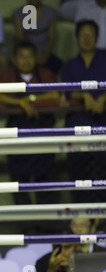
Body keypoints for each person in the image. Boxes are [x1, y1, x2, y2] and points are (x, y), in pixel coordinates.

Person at [0, 40, 60, 211]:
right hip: (17, 135)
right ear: (14, 59)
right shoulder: (7, 76)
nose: (26, 60)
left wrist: (32, 99)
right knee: (18, 181)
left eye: (30, 56)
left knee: (45, 179)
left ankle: (46, 223)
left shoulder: (45, 74)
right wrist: (21, 103)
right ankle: (27, 225)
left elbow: (56, 94)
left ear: (36, 58)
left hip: (44, 133)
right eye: (21, 56)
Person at [61, 20, 106, 203]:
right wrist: (84, 95)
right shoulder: (69, 66)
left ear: (97, 38)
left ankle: (103, 222)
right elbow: (67, 93)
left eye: (91, 35)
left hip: (103, 124)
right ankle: (82, 221)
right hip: (77, 125)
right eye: (83, 35)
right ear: (76, 38)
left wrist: (103, 98)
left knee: (103, 173)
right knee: (79, 174)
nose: (87, 39)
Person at [35, 218, 106, 272]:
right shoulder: (43, 262)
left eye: (83, 225)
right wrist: (51, 270)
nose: (78, 229)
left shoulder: (100, 256)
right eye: (58, 247)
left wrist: (74, 268)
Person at [12, 0, 63, 75]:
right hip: (27, 53)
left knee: (58, 65)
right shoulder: (18, 13)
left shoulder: (50, 11)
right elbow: (21, 38)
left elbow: (51, 38)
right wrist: (33, 55)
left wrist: (45, 54)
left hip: (45, 53)